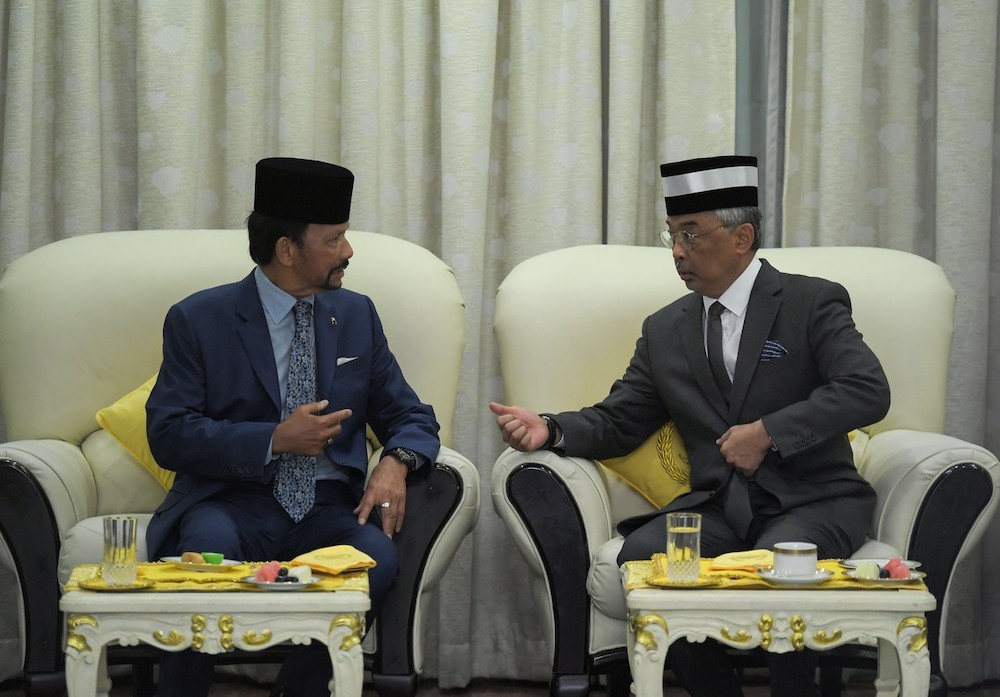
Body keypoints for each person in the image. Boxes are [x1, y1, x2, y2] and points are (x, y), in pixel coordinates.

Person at [490, 155, 890, 697]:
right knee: (645, 556)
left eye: (691, 235)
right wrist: (551, 429)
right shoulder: (666, 329)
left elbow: (867, 390)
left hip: (814, 501)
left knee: (782, 563)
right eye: (672, 236)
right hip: (723, 507)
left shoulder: (810, 301)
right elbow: (621, 419)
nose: (677, 252)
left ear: (742, 236)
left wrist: (767, 432)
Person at [145, 157, 441, 697]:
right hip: (231, 502)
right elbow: (168, 432)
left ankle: (299, 689)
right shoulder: (198, 319)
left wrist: (397, 461)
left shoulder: (356, 315)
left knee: (378, 557)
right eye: (334, 240)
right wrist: (273, 440)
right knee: (204, 551)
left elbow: (411, 414)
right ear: (286, 249)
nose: (348, 251)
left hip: (327, 509)